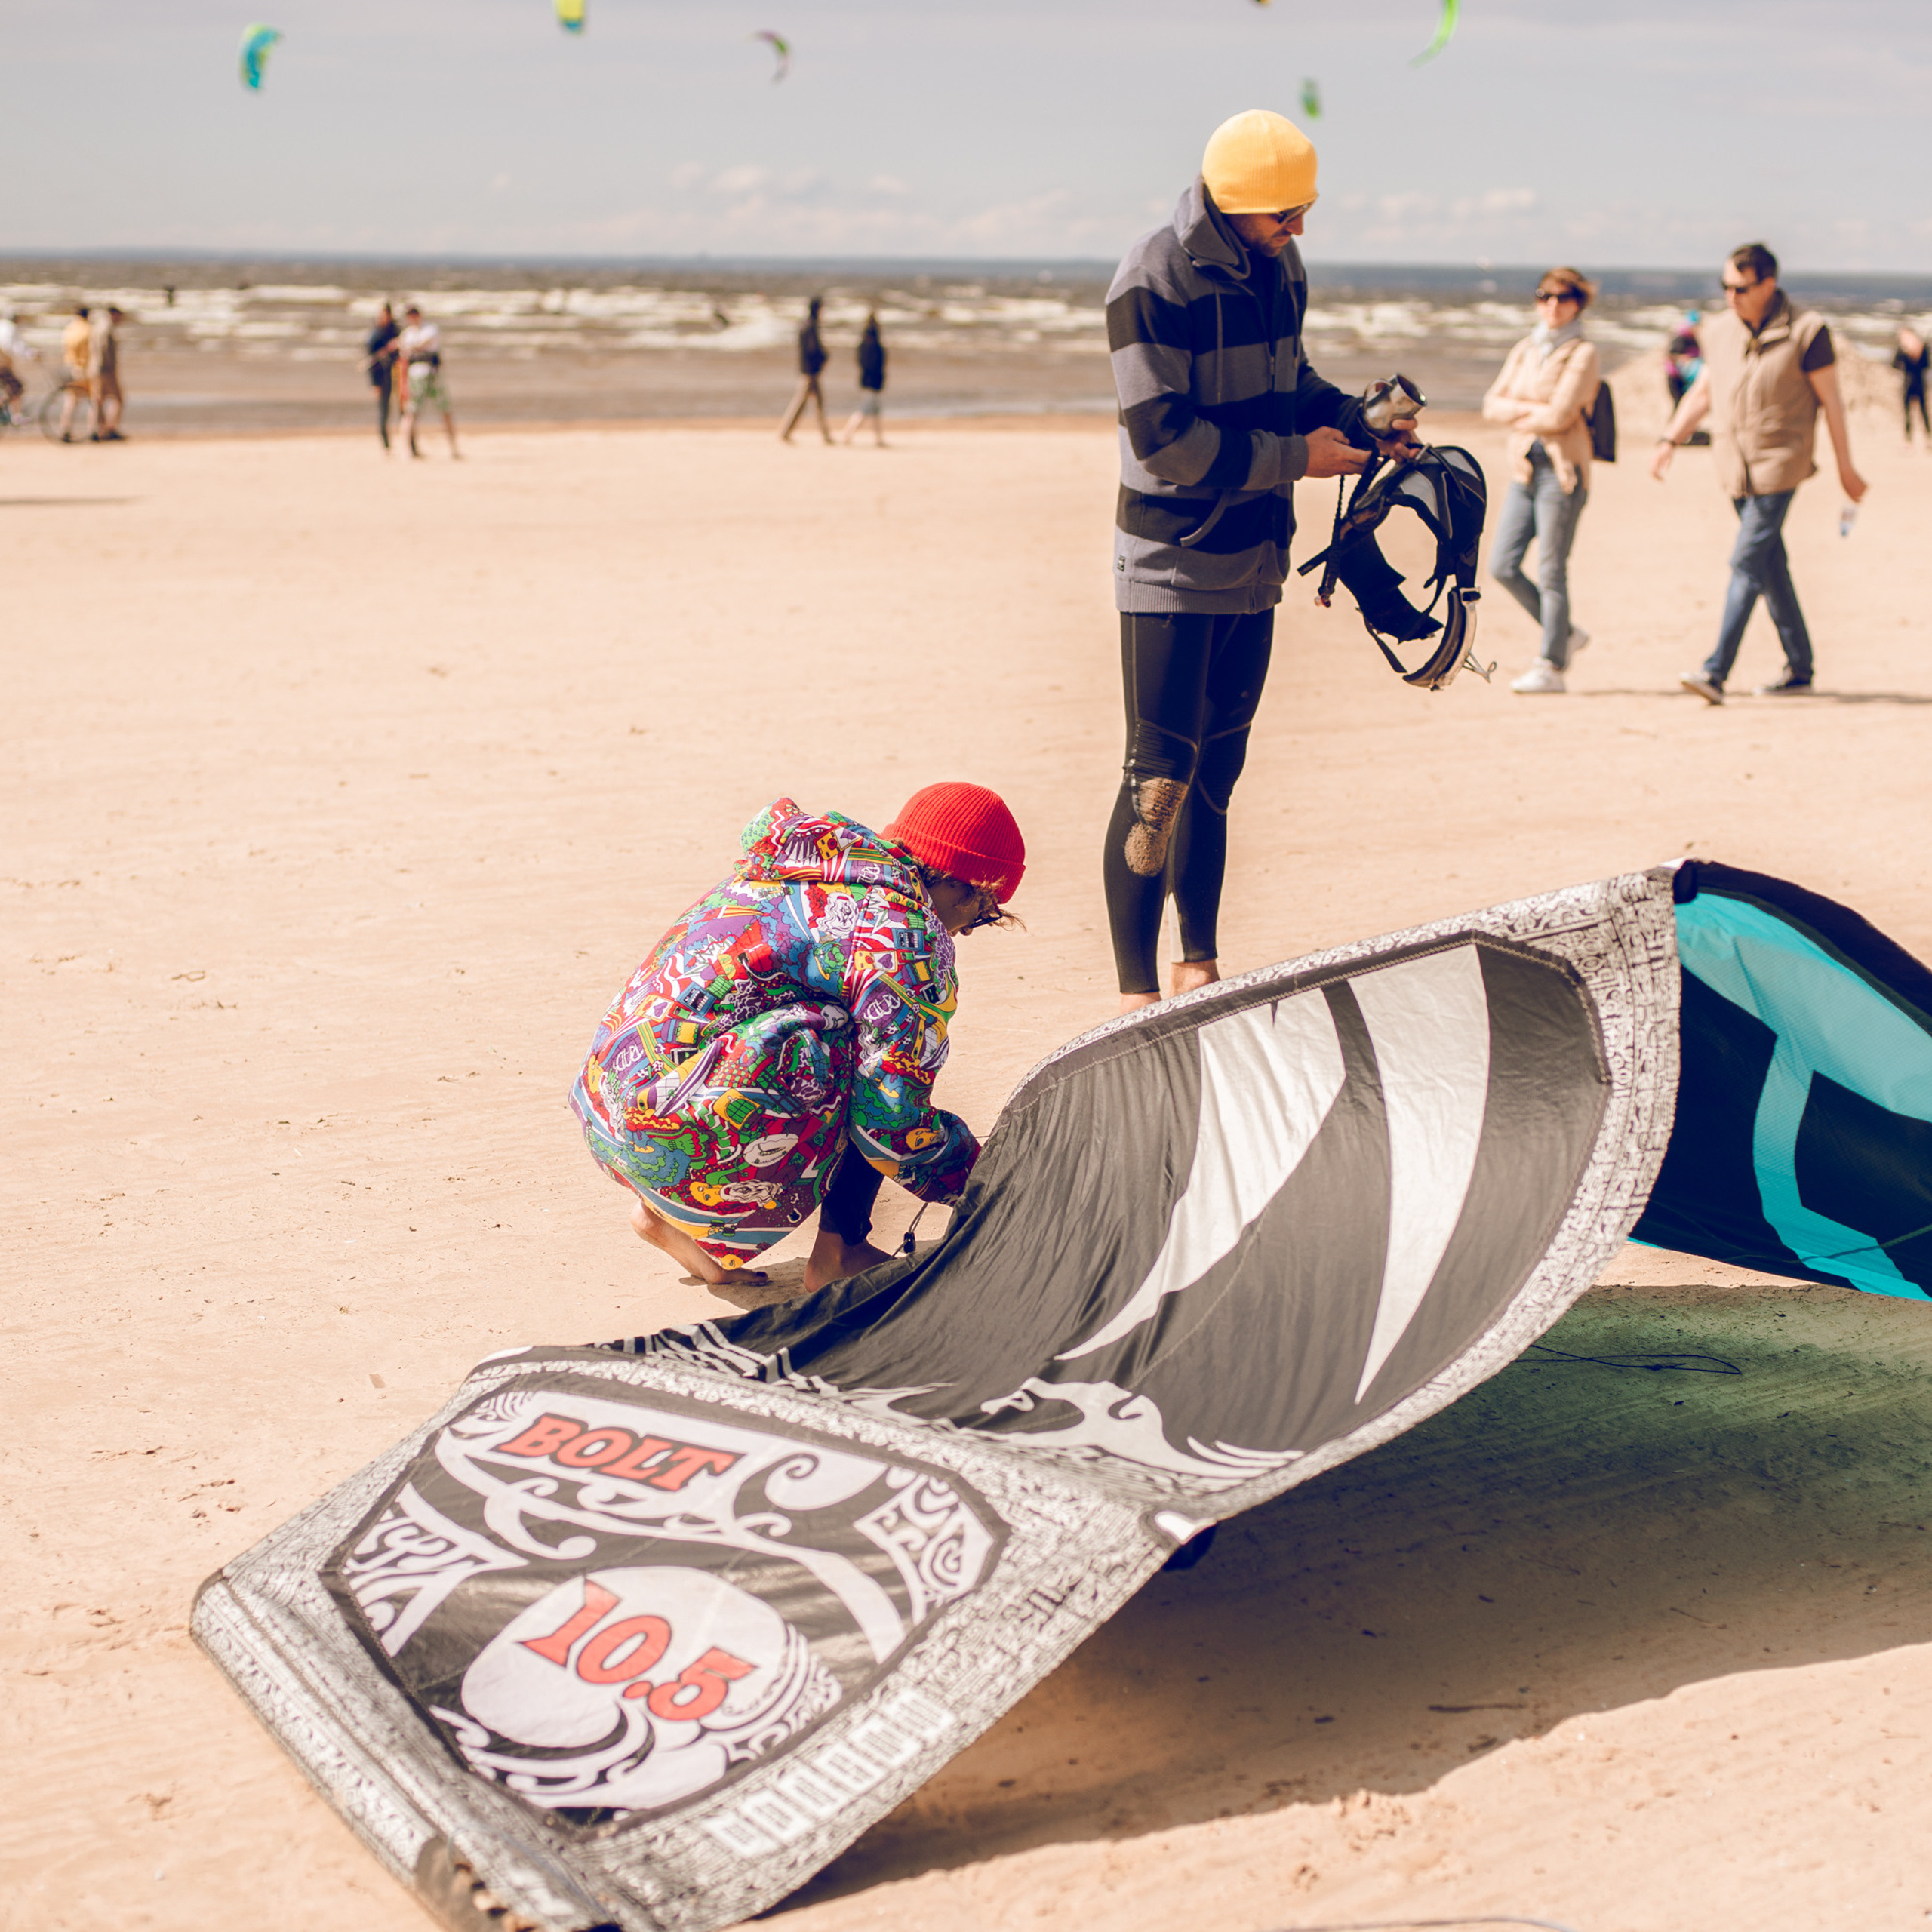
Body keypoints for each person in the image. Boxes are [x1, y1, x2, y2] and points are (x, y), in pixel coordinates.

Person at [1103, 107, 1417, 1015]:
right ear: (1239, 204)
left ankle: (1198, 970)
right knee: (1158, 779)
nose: (1300, 229)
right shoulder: (1150, 275)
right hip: (1170, 559)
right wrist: (1298, 460)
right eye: (1287, 213)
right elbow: (1162, 441)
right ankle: (1132, 998)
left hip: (1255, 561)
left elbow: (1290, 388)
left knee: (1218, 776)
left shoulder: (1280, 268)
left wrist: (1357, 422)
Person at [571, 786, 1026, 1291]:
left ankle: (671, 1221)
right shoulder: (904, 932)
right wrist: (988, 1181)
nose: (965, 932)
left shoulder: (808, 864)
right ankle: (840, 1251)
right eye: (984, 911)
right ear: (960, 883)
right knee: (865, 1057)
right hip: (674, 1139)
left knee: (818, 1024)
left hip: (609, 1109)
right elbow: (892, 1120)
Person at [1653, 242, 1867, 703]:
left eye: (1740, 287)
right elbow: (1704, 392)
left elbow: (1832, 403)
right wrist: (1670, 440)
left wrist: (1846, 468)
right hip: (1734, 467)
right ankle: (1800, 668)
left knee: (1746, 562)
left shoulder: (1809, 332)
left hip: (1779, 464)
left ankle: (1715, 672)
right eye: (1725, 286)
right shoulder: (1719, 331)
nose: (1731, 296)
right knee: (1771, 567)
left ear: (1768, 284)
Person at [1482, 268, 1602, 694]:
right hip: (1524, 470)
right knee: (1502, 565)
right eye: (1545, 296)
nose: (1553, 305)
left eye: (1564, 297)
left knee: (1552, 569)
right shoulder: (1526, 348)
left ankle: (1551, 665)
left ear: (1578, 303)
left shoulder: (1583, 352)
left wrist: (1523, 409)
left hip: (1563, 472)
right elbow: (1490, 405)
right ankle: (1565, 632)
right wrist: (1533, 408)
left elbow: (1561, 415)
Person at [395, 305, 459, 460]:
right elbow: (405, 352)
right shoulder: (407, 333)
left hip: (433, 373)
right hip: (415, 376)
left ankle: (453, 449)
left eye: (414, 315)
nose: (412, 318)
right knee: (411, 412)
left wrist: (408, 346)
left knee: (445, 411)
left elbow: (421, 344)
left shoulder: (430, 329)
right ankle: (408, 450)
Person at [778, 295, 832, 445]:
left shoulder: (805, 326)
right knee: (804, 403)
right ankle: (786, 432)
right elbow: (812, 349)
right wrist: (823, 358)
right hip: (811, 371)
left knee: (813, 403)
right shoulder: (811, 326)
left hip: (808, 370)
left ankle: (825, 434)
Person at [840, 310, 887, 447]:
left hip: (867, 380)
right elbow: (876, 364)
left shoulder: (863, 343)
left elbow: (861, 362)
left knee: (876, 410)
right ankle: (847, 433)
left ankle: (878, 438)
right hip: (872, 381)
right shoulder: (874, 344)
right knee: (865, 410)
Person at [88, 305, 126, 441]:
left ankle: (98, 429)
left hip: (97, 368)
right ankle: (109, 429)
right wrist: (109, 369)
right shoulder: (106, 328)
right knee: (117, 399)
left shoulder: (98, 326)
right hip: (104, 369)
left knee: (98, 400)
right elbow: (103, 350)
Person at [366, 301, 401, 451]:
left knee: (406, 410)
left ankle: (409, 442)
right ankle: (386, 444)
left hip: (399, 375)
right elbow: (371, 363)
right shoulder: (375, 336)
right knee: (384, 410)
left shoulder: (396, 331)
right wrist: (374, 384)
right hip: (382, 377)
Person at [58, 306, 91, 442]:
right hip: (81, 368)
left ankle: (65, 430)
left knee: (70, 401)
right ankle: (93, 431)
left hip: (68, 366)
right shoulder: (88, 329)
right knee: (93, 400)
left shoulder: (69, 329)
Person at [1894, 327, 1930, 445]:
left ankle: (1923, 438)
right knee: (1913, 413)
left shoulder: (1918, 347)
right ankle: (1914, 439)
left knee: (1919, 412)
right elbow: (1894, 364)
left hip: (1912, 383)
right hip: (1914, 383)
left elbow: (1895, 364)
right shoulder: (1909, 348)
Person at [0, 311, 35, 425]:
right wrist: (30, 354)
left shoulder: (3, 327)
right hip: (3, 366)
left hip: (4, 365)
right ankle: (17, 415)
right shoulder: (9, 329)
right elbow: (14, 346)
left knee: (13, 388)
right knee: (16, 388)